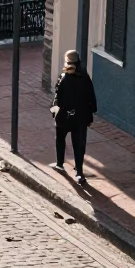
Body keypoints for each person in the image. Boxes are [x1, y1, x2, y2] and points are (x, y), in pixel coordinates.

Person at [50, 49, 97, 184]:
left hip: (65, 116)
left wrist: (55, 110)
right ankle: (79, 172)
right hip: (81, 117)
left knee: (60, 139)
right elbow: (91, 96)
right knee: (79, 144)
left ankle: (60, 163)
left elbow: (58, 96)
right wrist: (92, 111)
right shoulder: (85, 77)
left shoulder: (63, 77)